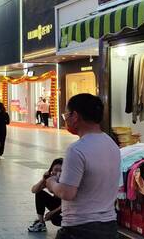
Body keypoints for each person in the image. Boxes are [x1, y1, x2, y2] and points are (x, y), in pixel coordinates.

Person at [46, 94, 120, 239]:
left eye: (66, 114)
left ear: (75, 116)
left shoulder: (77, 149)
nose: (65, 118)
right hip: (109, 226)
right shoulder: (111, 144)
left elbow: (68, 193)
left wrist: (52, 183)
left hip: (80, 228)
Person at [28, 158, 63, 232]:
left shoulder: (68, 182)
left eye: (61, 171)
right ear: (51, 171)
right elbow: (34, 190)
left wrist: (52, 213)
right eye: (56, 170)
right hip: (57, 205)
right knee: (39, 193)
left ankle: (68, 227)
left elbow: (68, 204)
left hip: (68, 210)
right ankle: (41, 223)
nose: (58, 173)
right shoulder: (51, 180)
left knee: (55, 219)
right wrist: (43, 179)